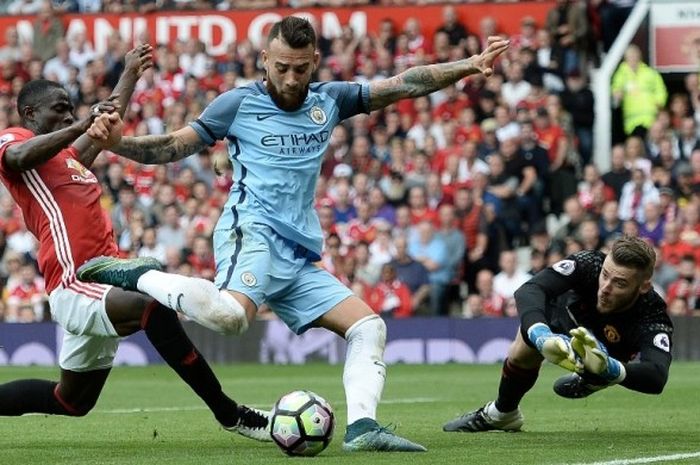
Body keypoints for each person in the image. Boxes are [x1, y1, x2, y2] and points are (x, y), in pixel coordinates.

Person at [78, 16, 510, 452]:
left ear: (315, 62)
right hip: (253, 231)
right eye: (281, 66)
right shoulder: (237, 104)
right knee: (231, 319)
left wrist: (469, 64)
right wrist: (120, 144)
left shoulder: (331, 101)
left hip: (297, 251)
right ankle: (138, 276)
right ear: (264, 59)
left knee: (368, 327)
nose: (289, 77)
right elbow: (174, 145)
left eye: (300, 68)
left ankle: (362, 429)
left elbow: (405, 83)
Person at [0, 45, 268, 442]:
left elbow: (104, 120)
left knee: (71, 400)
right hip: (74, 281)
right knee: (151, 309)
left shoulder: (70, 161)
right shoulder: (15, 138)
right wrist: (79, 126)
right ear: (31, 113)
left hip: (104, 276)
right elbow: (18, 157)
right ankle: (229, 413)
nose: (71, 115)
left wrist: (129, 74)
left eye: (72, 109)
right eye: (60, 108)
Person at [443, 236, 673, 433]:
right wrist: (541, 334)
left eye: (620, 283)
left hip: (608, 354)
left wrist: (611, 369)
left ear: (643, 286)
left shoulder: (653, 313)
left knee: (602, 366)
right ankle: (503, 414)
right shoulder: (589, 262)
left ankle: (594, 378)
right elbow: (530, 289)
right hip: (561, 323)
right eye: (605, 275)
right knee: (523, 343)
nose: (605, 287)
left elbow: (657, 375)